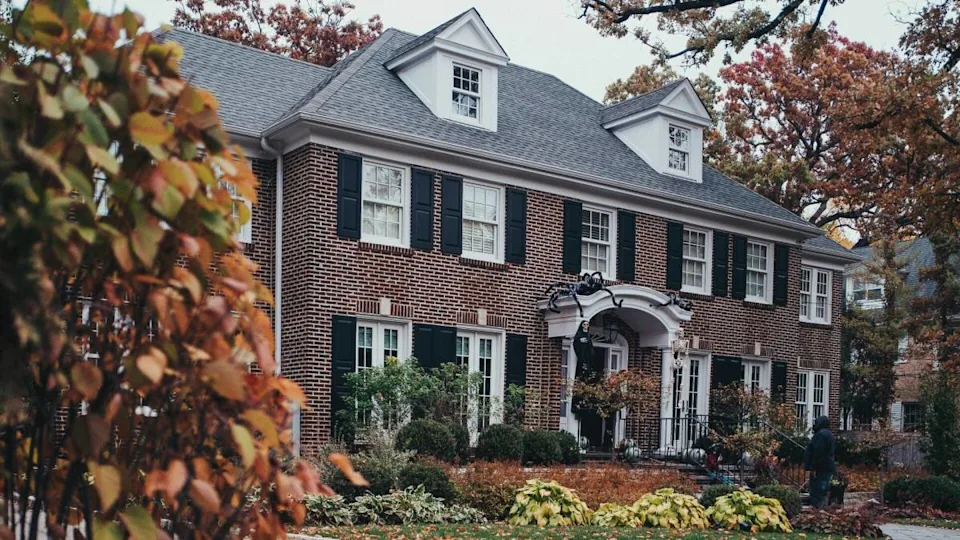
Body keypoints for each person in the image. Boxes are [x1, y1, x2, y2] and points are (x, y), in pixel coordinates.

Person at [804, 415, 836, 508]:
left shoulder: (821, 435)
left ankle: (817, 509)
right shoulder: (829, 434)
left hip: (821, 468)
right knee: (824, 490)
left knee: (817, 491)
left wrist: (813, 468)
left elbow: (818, 452)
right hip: (827, 467)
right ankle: (822, 509)